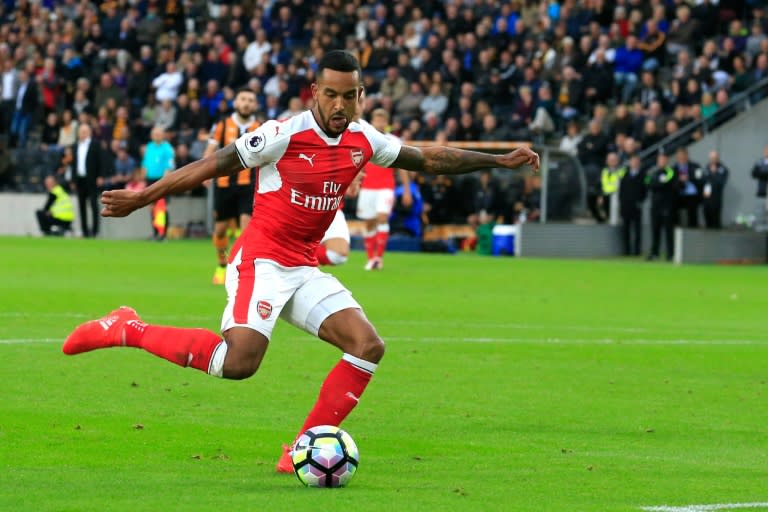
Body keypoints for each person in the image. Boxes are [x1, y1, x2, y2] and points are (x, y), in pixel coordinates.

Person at [61, 51, 539, 475]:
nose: (340, 106)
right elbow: (213, 164)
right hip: (261, 261)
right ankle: (127, 328)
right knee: (239, 362)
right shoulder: (281, 135)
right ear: (315, 92)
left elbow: (429, 159)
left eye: (350, 97)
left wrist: (496, 161)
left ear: (360, 96)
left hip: (303, 268)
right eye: (331, 95)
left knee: (367, 345)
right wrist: (145, 196)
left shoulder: (363, 139)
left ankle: (299, 450)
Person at [203, 88, 260, 284]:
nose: (246, 103)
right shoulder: (222, 125)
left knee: (247, 229)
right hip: (224, 184)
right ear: (235, 103)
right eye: (243, 99)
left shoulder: (261, 127)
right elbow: (211, 149)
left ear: (255, 105)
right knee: (220, 230)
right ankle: (221, 265)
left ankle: (241, 270)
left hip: (249, 184)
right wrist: (204, 171)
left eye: (250, 100)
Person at [356, 108, 411, 270]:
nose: (379, 122)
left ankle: (379, 258)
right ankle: (371, 258)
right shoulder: (365, 137)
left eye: (382, 120)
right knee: (369, 223)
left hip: (386, 187)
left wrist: (407, 190)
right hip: (367, 187)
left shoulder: (394, 140)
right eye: (377, 119)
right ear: (372, 121)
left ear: (386, 123)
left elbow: (403, 166)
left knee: (382, 217)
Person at [73, 123, 112, 237]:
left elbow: (102, 161)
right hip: (80, 179)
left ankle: (95, 231)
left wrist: (100, 176)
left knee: (94, 205)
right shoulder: (75, 146)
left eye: (84, 132)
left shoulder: (95, 144)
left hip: (92, 179)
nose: (82, 134)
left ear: (89, 132)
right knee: (81, 206)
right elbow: (74, 163)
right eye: (80, 132)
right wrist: (73, 179)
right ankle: (84, 231)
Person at [141, 126, 175, 240]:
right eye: (154, 134)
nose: (156, 136)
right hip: (150, 180)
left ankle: (162, 233)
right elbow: (145, 164)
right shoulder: (149, 147)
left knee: (161, 207)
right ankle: (155, 232)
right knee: (151, 207)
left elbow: (169, 165)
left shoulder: (167, 148)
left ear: (163, 135)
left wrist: (164, 181)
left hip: (161, 179)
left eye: (158, 134)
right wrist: (143, 178)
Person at [646, 152, 677, 261]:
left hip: (667, 206)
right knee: (655, 230)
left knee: (669, 231)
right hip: (655, 205)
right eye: (660, 160)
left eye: (664, 160)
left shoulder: (671, 172)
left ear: (667, 161)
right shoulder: (653, 172)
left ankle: (670, 254)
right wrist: (658, 183)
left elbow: (668, 184)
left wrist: (657, 183)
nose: (662, 162)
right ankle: (654, 253)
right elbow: (647, 183)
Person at [618, 154, 646, 256]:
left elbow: (645, 190)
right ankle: (626, 250)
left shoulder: (643, 174)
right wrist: (621, 203)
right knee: (626, 229)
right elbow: (621, 191)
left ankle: (637, 251)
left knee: (637, 229)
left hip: (636, 206)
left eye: (636, 161)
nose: (634, 163)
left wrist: (640, 201)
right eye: (633, 161)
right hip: (626, 206)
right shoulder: (624, 174)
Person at [673, 147, 704, 228]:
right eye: (679, 156)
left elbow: (700, 179)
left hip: (692, 195)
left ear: (687, 155)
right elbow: (671, 182)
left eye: (683, 155)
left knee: (692, 215)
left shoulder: (696, 166)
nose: (681, 157)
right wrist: (679, 180)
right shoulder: (673, 168)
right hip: (678, 195)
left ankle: (693, 228)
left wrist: (689, 177)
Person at [702, 150, 728, 229]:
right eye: (711, 158)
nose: (713, 160)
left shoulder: (722, 169)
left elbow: (721, 183)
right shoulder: (706, 168)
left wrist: (714, 174)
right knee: (707, 215)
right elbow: (702, 180)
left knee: (715, 217)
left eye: (714, 158)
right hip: (706, 197)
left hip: (716, 197)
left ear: (717, 158)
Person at [751, 144, 768, 226]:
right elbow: (754, 173)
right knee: (761, 209)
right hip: (762, 190)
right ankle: (761, 225)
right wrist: (764, 174)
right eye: (766, 151)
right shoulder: (760, 162)